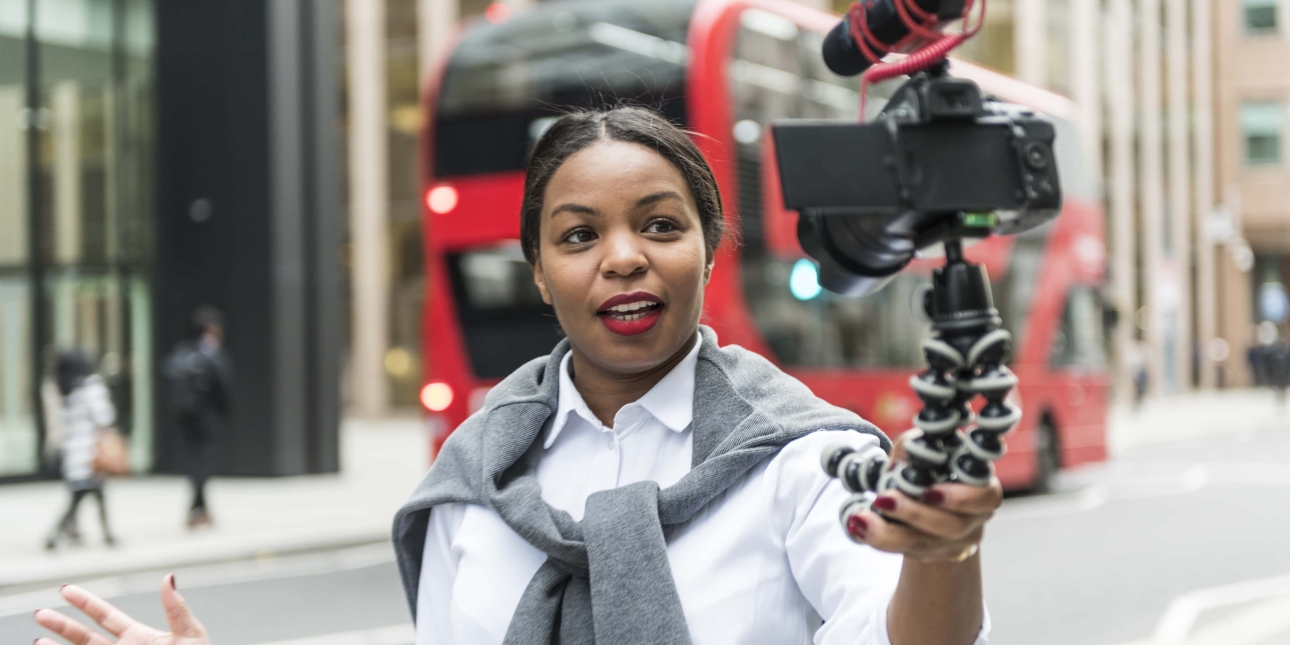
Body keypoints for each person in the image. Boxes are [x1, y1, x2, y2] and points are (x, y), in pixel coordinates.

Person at [35, 107, 1001, 645]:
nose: (622, 258)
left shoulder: (810, 460)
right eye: (579, 236)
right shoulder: (474, 477)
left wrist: (943, 552)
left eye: (660, 225)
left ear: (710, 248)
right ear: (539, 271)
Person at [164, 306, 234, 529]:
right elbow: (224, 388)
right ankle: (195, 510)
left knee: (197, 462)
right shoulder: (211, 354)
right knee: (203, 465)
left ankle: (201, 510)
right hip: (207, 418)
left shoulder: (182, 352)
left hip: (185, 418)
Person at [45, 350, 118, 550]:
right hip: (90, 452)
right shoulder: (90, 386)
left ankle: (106, 535)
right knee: (83, 497)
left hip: (73, 451)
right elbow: (104, 417)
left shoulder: (63, 388)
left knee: (87, 495)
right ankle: (55, 535)